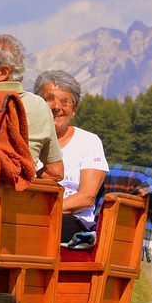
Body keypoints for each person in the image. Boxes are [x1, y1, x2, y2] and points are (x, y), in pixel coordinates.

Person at [0, 33, 64, 181]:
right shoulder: (38, 105)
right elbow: (55, 171)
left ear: (3, 72)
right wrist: (25, 180)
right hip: (20, 199)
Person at [35, 69, 108, 243]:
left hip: (73, 221)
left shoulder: (89, 142)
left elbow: (86, 197)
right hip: (30, 213)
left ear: (74, 109)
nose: (56, 107)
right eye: (49, 99)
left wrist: (44, 211)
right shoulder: (27, 139)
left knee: (36, 227)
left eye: (64, 101)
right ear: (38, 105)